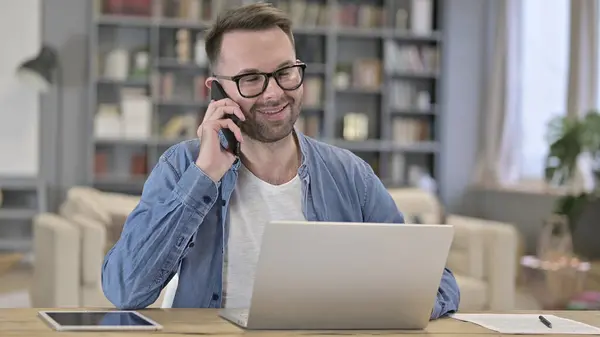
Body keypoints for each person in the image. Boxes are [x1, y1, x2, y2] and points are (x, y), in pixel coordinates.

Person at [101, 2, 460, 319]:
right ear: (217, 89)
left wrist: (375, 308)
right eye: (251, 79)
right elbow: (125, 289)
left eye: (285, 72)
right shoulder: (182, 166)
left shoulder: (350, 175)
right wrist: (204, 176)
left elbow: (439, 284)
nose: (275, 93)